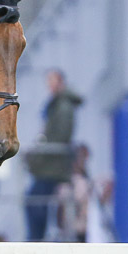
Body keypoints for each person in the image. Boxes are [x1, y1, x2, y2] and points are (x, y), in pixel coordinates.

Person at [24, 69, 83, 241]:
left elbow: (60, 136)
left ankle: (36, 240)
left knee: (36, 202)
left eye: (52, 80)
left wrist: (39, 155)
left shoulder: (62, 106)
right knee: (37, 202)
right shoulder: (59, 104)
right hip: (51, 166)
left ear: (60, 82)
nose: (49, 85)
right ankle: (37, 239)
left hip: (52, 167)